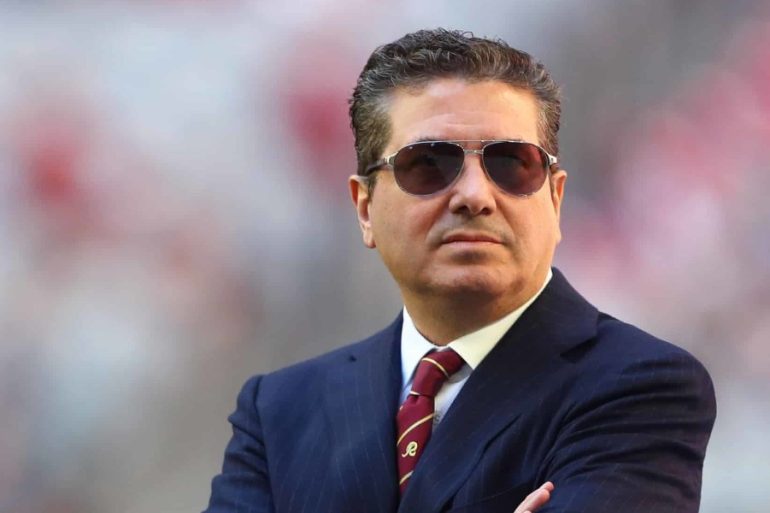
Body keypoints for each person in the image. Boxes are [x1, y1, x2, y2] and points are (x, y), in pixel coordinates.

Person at [204, 29, 716, 513]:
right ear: (365, 208)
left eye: (512, 163)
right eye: (428, 163)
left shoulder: (641, 386)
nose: (474, 195)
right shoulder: (278, 410)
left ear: (555, 198)